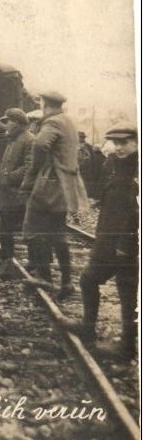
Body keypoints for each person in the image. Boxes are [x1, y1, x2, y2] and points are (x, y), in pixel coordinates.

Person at [64, 125, 138, 359]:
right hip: (108, 240)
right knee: (88, 279)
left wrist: (126, 247)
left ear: (137, 142)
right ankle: (87, 328)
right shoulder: (117, 167)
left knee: (129, 297)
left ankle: (127, 347)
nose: (118, 147)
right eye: (115, 143)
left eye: (124, 142)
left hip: (128, 246)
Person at [20, 90, 87, 300]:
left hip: (49, 185)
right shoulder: (67, 121)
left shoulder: (52, 122)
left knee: (33, 229)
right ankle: (67, 282)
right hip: (66, 186)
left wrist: (33, 174)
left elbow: (40, 144)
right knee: (58, 234)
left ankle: (45, 278)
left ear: (45, 105)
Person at [0, 108, 33, 279]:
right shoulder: (13, 140)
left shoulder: (29, 140)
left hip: (19, 194)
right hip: (9, 194)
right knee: (7, 230)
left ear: (17, 122)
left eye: (8, 121)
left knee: (20, 231)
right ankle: (10, 264)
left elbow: (30, 167)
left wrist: (9, 177)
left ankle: (13, 267)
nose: (6, 125)